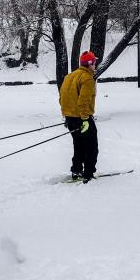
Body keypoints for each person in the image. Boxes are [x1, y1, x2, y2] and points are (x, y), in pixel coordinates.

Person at [59, 50, 99, 182]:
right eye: (94, 62)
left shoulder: (69, 76)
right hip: (83, 118)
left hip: (71, 118)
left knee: (79, 145)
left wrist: (66, 116)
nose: (95, 65)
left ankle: (76, 170)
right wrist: (85, 119)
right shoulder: (87, 78)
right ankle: (88, 174)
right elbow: (83, 101)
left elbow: (62, 98)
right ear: (89, 64)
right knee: (91, 147)